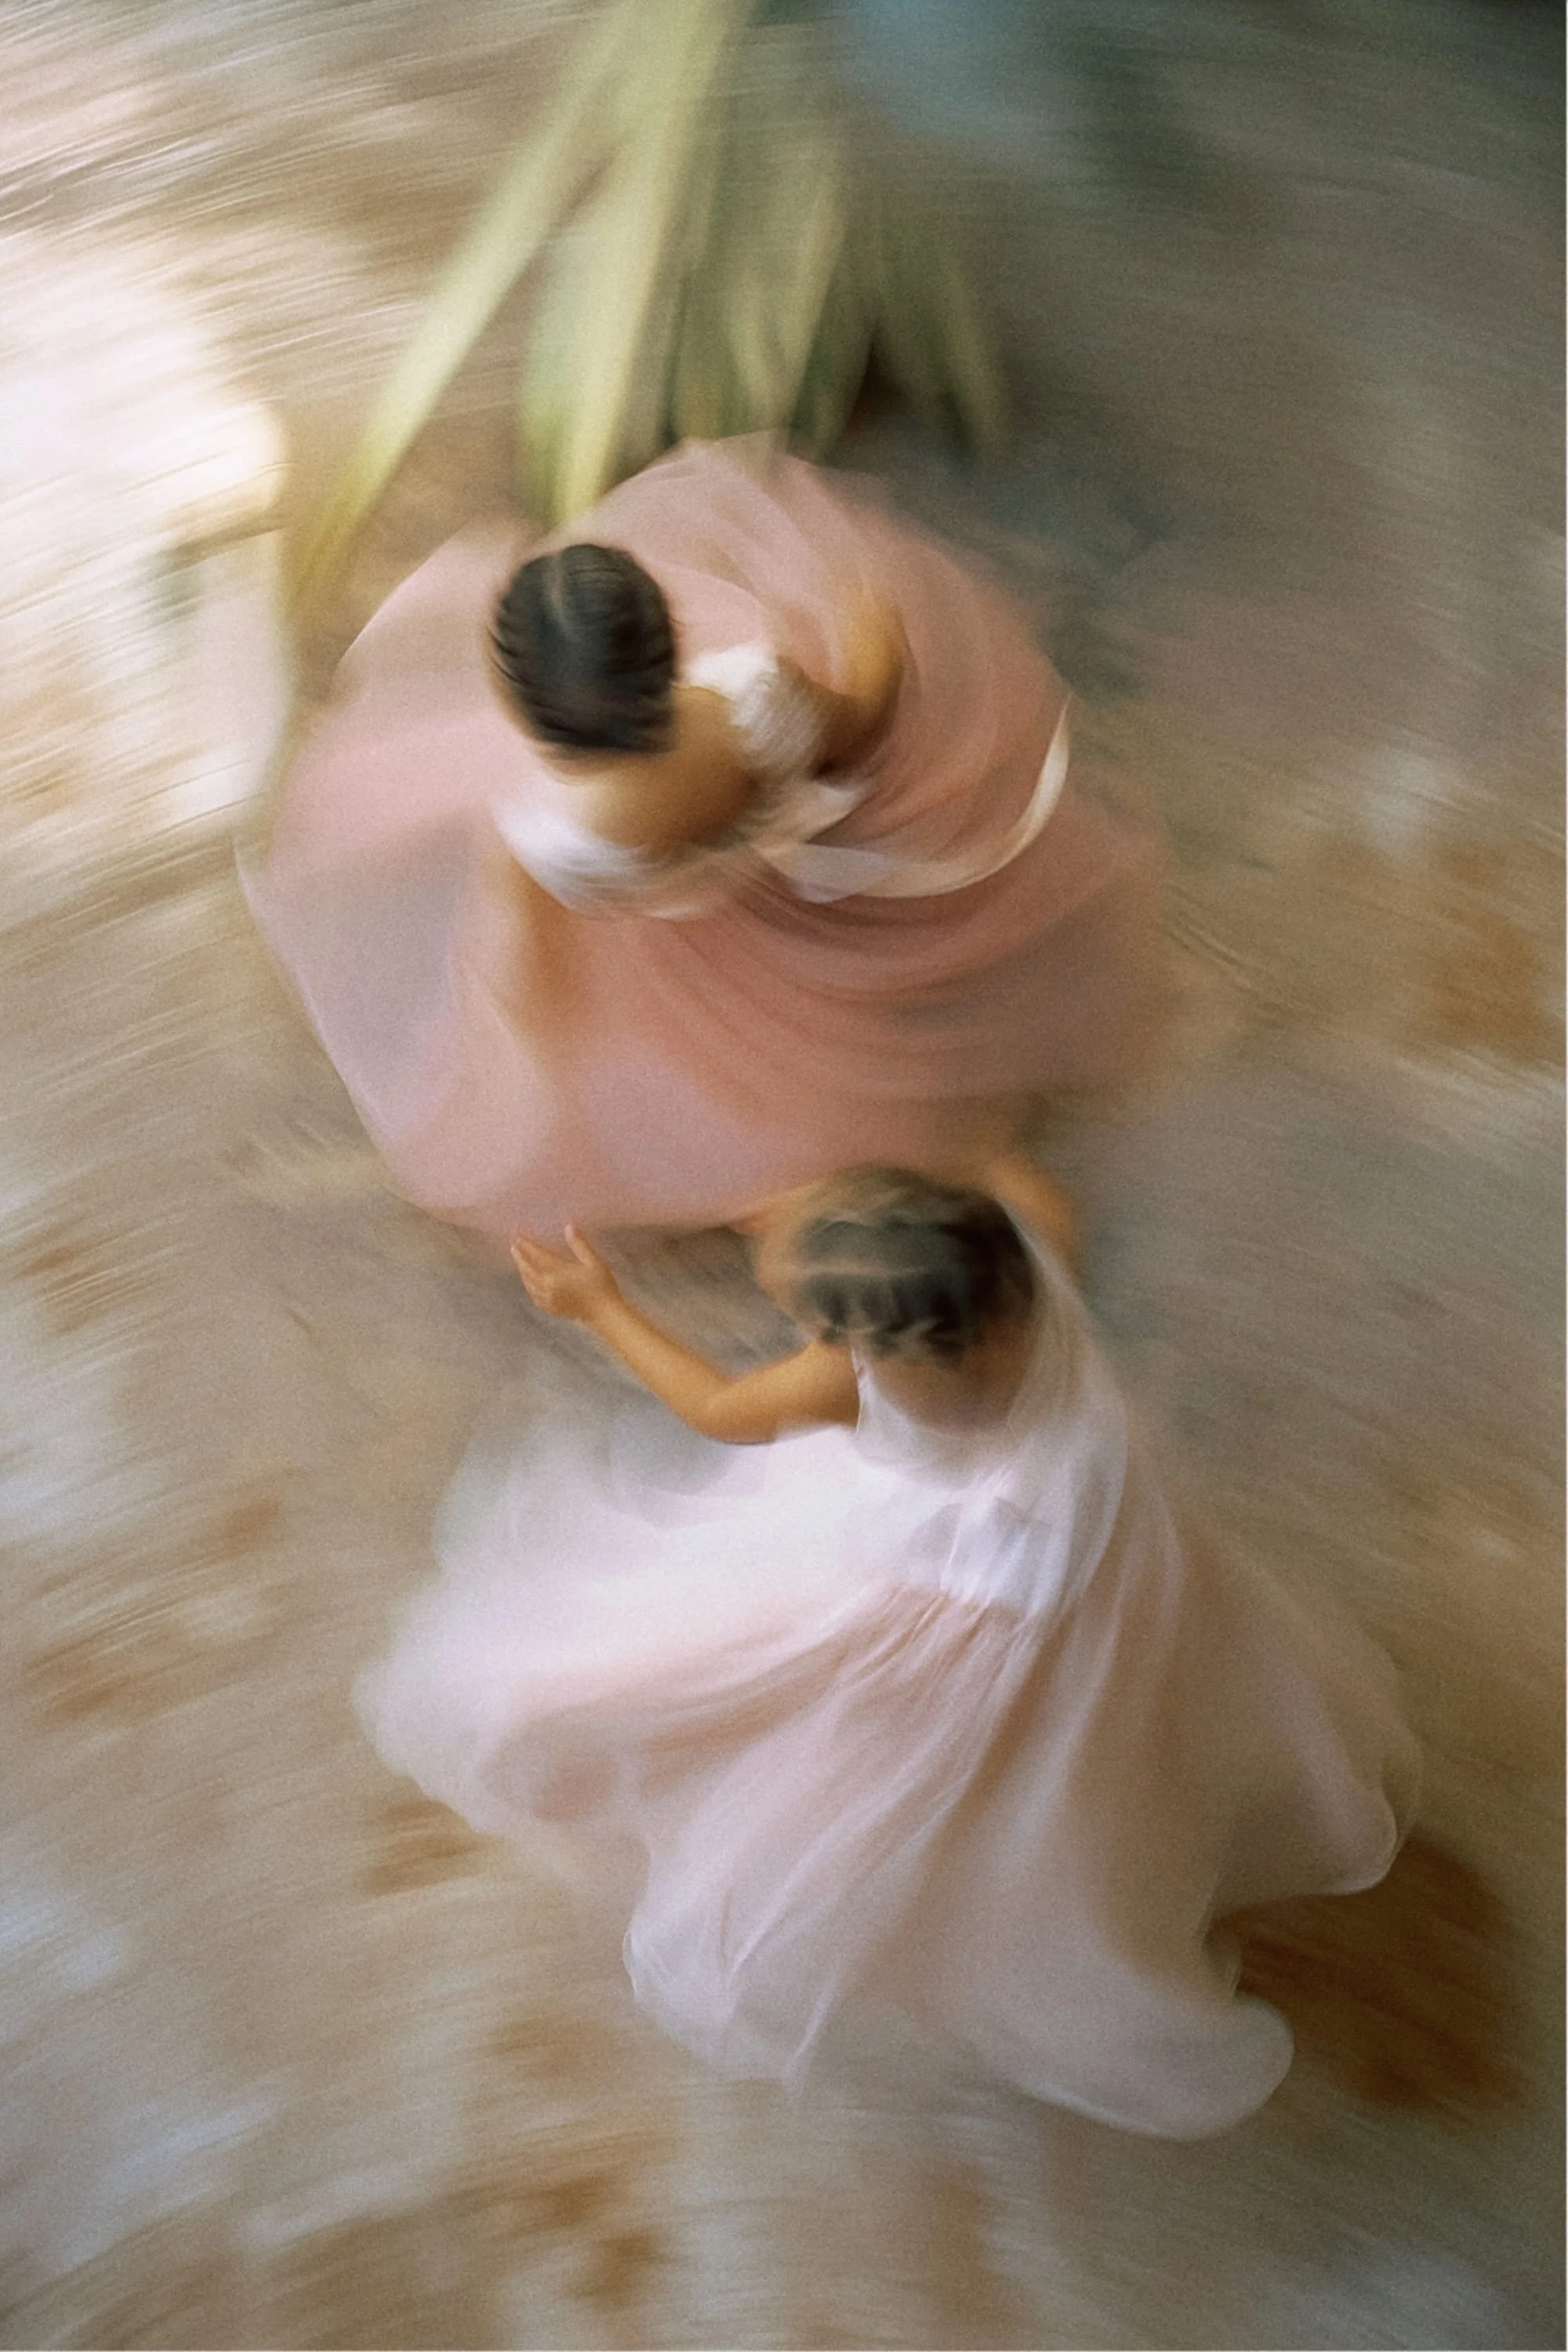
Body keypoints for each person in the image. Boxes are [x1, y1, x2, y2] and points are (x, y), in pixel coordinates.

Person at [360, 1167, 1419, 2136]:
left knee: (775, 1716)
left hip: (941, 1598)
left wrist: (600, 1306)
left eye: (801, 1316)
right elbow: (1021, 1185)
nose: (793, 1325)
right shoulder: (1034, 1252)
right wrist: (890, 1190)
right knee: (1099, 1739)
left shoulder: (856, 1379)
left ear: (868, 1339)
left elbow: (718, 1408)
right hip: (1102, 1555)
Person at [245, 437, 1159, 1243]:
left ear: (523, 709)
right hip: (772, 846)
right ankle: (969, 1169)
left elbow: (527, 970)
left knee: (732, 1097)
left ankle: (835, 1179)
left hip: (669, 921)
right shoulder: (755, 697)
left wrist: (510, 1059)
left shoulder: (542, 833)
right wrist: (869, 616)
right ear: (668, 636)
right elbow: (861, 722)